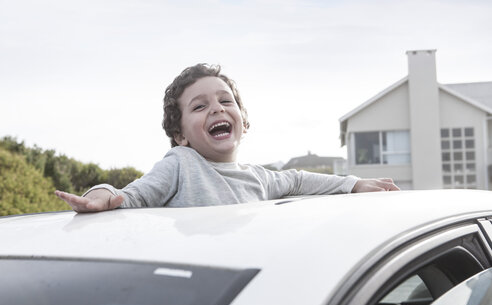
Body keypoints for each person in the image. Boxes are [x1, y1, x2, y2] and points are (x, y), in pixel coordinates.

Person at [55, 64, 399, 213]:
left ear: (243, 122)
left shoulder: (258, 177)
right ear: (180, 135)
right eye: (200, 106)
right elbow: (134, 195)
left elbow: (298, 180)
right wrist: (100, 195)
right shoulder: (181, 163)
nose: (216, 110)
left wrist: (352, 184)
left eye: (225, 101)